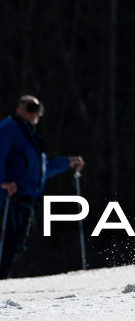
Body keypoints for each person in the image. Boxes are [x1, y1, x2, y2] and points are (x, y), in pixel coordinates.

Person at [0, 95, 85, 279]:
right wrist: (3, 180)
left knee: (18, 241)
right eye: (30, 108)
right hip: (11, 197)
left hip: (27, 197)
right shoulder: (11, 127)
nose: (33, 114)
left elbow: (41, 171)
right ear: (19, 109)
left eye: (37, 111)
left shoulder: (30, 138)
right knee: (9, 240)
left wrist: (67, 163)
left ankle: (3, 280)